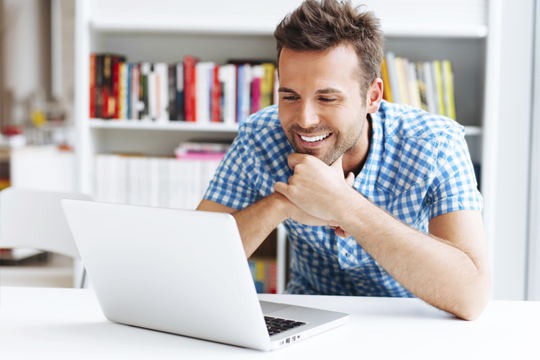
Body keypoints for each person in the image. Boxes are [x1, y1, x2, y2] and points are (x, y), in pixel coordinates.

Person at [197, 0, 490, 320]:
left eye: (327, 98)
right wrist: (281, 203)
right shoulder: (260, 137)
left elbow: (470, 296)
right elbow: (191, 264)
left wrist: (342, 203)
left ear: (373, 97)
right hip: (306, 315)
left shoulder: (435, 143)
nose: (305, 119)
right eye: (290, 96)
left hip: (414, 319)